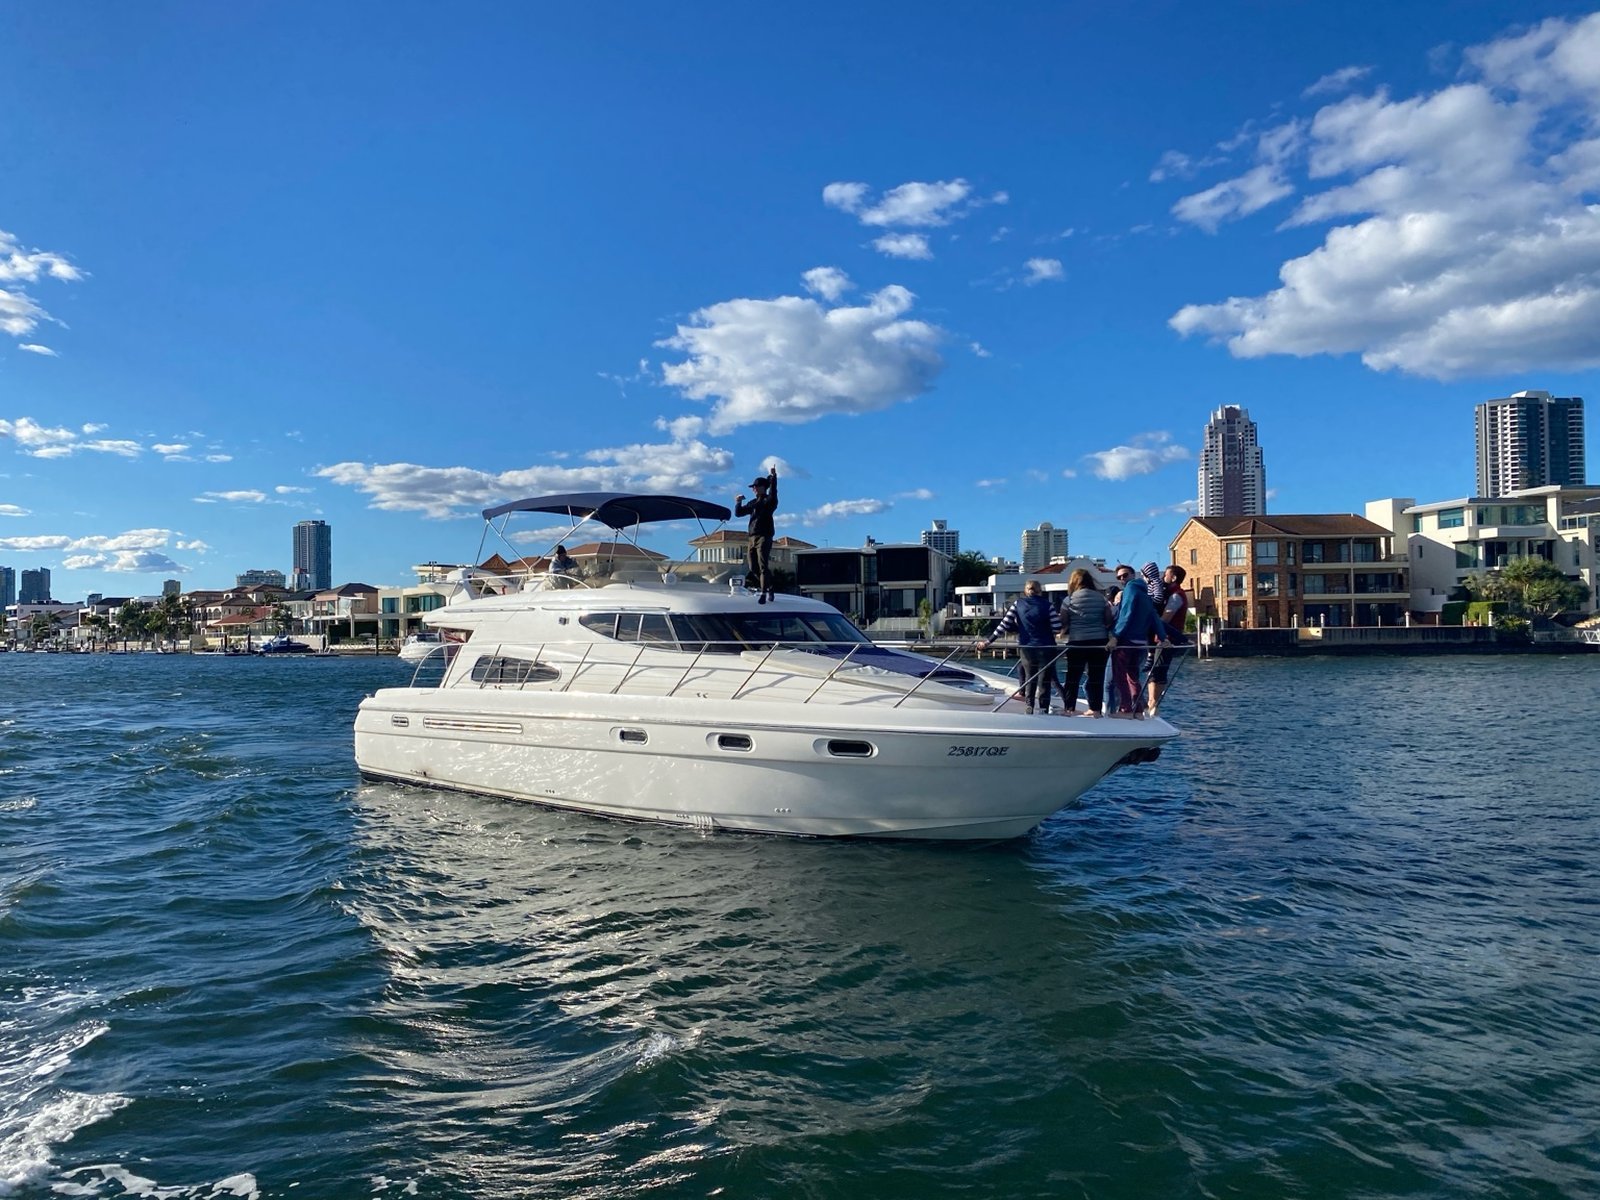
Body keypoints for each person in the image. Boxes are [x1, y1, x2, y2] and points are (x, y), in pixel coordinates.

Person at [976, 580, 1062, 715]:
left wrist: (988, 642)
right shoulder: (1048, 605)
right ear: (1040, 591)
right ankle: (1044, 708)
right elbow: (1057, 628)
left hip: (1026, 647)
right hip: (1047, 647)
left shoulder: (1018, 604)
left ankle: (1029, 706)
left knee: (1029, 678)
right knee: (1044, 680)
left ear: (1025, 591)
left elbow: (1003, 626)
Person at [1108, 563, 1165, 715]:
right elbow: (1154, 617)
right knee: (1133, 677)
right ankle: (1139, 710)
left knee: (1120, 677)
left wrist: (1115, 636)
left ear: (1134, 575)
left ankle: (1126, 709)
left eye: (1125, 575)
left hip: (1126, 642)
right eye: (1119, 577)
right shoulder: (1145, 593)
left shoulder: (1131, 589)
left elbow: (1126, 614)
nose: (1122, 579)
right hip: (1141, 644)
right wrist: (1164, 638)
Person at [1057, 568, 1114, 717]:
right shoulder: (1101, 598)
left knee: (1073, 677)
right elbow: (1108, 620)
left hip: (1077, 641)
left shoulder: (1068, 600)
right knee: (1097, 677)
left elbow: (1064, 622)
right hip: (1100, 642)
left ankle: (1069, 708)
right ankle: (1095, 710)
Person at [1146, 564, 1189, 716]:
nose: (1163, 578)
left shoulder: (1176, 596)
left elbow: (1165, 618)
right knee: (1153, 669)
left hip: (1168, 639)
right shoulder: (1169, 594)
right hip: (1160, 638)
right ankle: (1151, 702)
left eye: (1166, 575)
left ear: (1174, 578)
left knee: (1159, 670)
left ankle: (1153, 703)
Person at [735, 466, 779, 604]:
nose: (753, 489)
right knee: (753, 567)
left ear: (762, 487)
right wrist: (738, 502)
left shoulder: (769, 501)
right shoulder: (753, 503)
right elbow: (739, 513)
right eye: (753, 487)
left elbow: (773, 492)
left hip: (764, 536)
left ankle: (763, 593)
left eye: (756, 486)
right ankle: (769, 587)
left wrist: (773, 477)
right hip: (752, 537)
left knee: (763, 564)